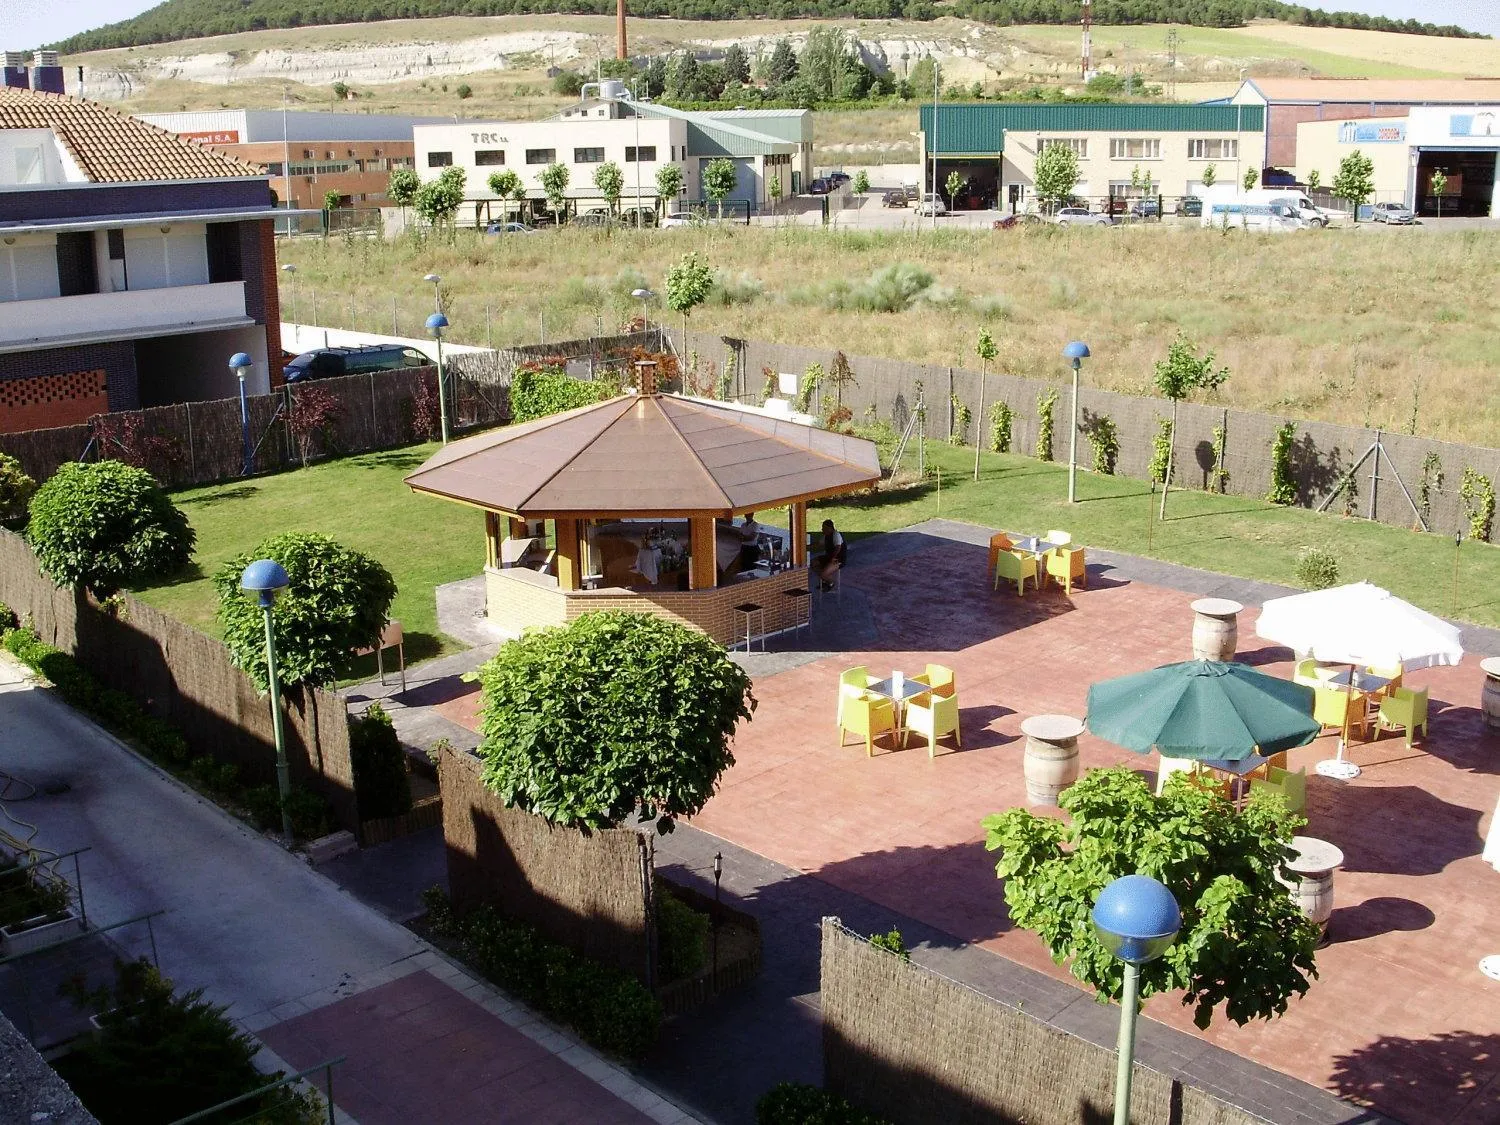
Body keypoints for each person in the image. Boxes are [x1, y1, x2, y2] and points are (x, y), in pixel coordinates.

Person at [814, 519, 846, 591]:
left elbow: (838, 547)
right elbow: (818, 544)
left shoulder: (836, 535)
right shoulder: (826, 536)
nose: (822, 530)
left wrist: (832, 558)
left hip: (838, 559)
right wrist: (805, 546)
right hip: (829, 557)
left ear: (829, 528)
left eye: (823, 528)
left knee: (823, 574)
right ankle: (825, 579)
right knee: (813, 563)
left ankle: (830, 583)